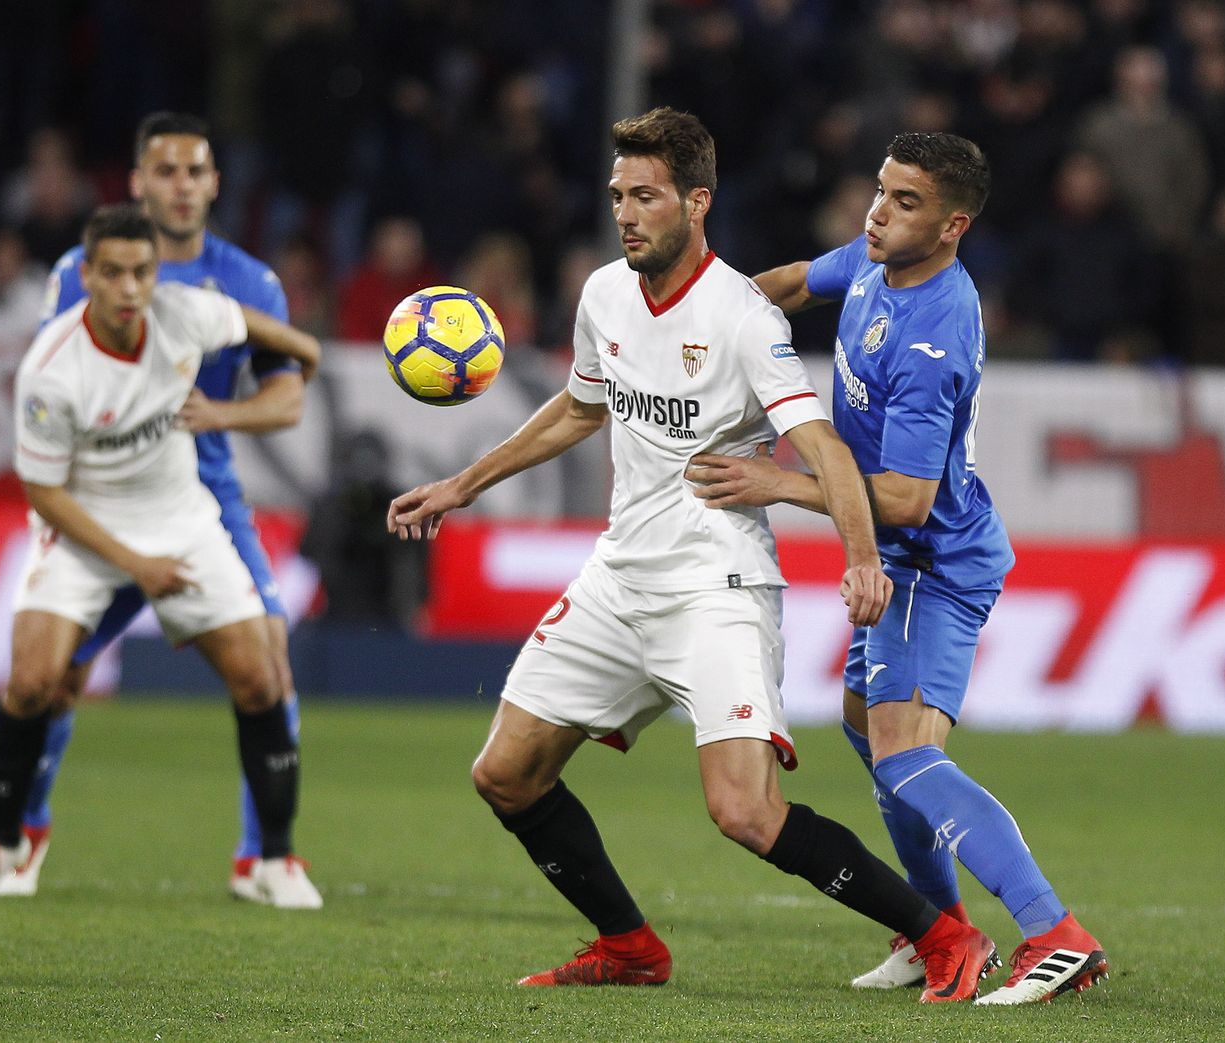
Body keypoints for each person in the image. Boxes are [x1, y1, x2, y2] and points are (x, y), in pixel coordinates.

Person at [387, 107, 997, 1000]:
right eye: (616, 197)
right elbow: (581, 407)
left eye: (645, 197)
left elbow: (824, 448)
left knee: (744, 812)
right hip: (619, 574)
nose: (625, 214)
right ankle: (630, 945)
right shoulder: (603, 295)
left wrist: (861, 557)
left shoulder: (744, 318)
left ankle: (944, 935)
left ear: (695, 201)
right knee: (507, 774)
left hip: (718, 583)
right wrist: (460, 485)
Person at [705, 132, 1109, 1004]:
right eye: (881, 191)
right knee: (866, 728)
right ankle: (939, 929)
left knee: (900, 755)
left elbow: (907, 497)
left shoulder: (935, 336)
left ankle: (1055, 930)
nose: (879, 211)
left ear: (954, 224)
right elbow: (780, 286)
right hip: (894, 558)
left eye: (906, 202)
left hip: (930, 559)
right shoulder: (875, 257)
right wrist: (700, 316)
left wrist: (778, 480)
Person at [0, 204, 323, 908]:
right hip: (84, 529)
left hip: (182, 521)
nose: (127, 287)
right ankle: (3, 843)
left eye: (140, 272)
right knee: (32, 682)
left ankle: (272, 860)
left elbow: (269, 334)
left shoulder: (187, 313)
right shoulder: (52, 369)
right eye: (112, 272)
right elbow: (45, 494)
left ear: (156, 276)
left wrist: (305, 352)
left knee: (263, 679)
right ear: (86, 275)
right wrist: (135, 565)